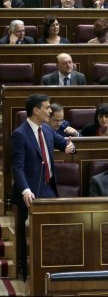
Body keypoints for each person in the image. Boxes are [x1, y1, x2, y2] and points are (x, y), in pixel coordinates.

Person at [11, 94, 75, 279]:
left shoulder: (46, 129)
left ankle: (50, 272)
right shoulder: (20, 134)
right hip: (29, 192)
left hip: (48, 188)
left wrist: (71, 146)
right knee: (28, 237)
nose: (50, 111)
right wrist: (25, 189)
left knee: (51, 233)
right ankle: (28, 274)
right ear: (36, 110)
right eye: (47, 108)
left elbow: (64, 144)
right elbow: (17, 166)